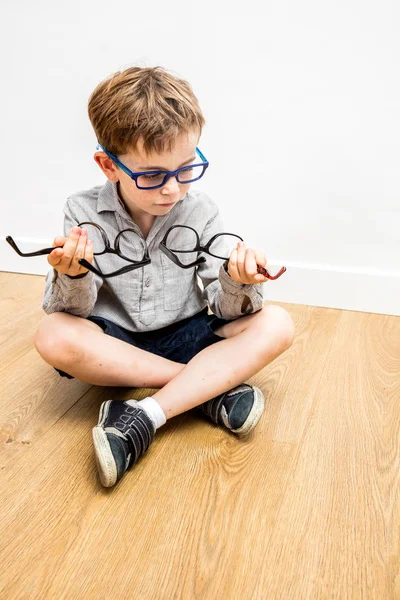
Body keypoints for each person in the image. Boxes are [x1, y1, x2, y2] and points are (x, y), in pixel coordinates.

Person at [34, 66, 295, 488]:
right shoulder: (81, 210)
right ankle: (206, 388)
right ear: (108, 165)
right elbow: (72, 310)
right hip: (115, 339)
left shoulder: (202, 210)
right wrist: (74, 273)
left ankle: (146, 414)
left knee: (278, 323)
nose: (172, 189)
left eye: (186, 168)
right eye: (153, 175)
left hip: (188, 333)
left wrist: (237, 279)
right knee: (51, 334)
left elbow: (225, 308)